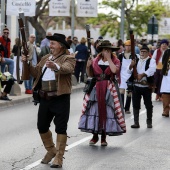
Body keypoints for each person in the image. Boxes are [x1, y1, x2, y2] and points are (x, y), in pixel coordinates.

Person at [22, 33, 76, 168]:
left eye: (53, 43)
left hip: (60, 98)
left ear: (61, 46)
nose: (50, 45)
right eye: (50, 43)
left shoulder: (68, 58)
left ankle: (59, 157)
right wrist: (27, 62)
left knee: (61, 127)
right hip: (45, 98)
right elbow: (35, 74)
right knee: (42, 126)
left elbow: (67, 69)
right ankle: (52, 150)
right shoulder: (46, 57)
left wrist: (55, 66)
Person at [78, 40, 126, 146]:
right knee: (95, 110)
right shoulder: (95, 60)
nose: (106, 52)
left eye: (109, 50)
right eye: (105, 50)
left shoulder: (116, 61)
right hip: (97, 86)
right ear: (101, 50)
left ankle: (103, 136)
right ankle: (94, 135)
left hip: (109, 88)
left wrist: (109, 59)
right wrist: (88, 66)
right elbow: (91, 74)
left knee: (107, 111)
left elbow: (114, 71)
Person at [128, 44, 156, 128]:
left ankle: (149, 122)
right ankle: (136, 122)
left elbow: (152, 70)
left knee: (148, 104)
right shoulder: (135, 60)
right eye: (141, 51)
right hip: (136, 85)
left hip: (146, 86)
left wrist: (143, 75)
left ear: (148, 53)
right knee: (135, 105)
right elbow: (128, 71)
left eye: (144, 52)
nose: (142, 53)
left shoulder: (151, 60)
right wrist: (131, 66)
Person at [118, 40, 134, 114]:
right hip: (122, 75)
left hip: (130, 75)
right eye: (127, 45)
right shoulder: (121, 55)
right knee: (121, 91)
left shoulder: (134, 56)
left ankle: (127, 108)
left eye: (129, 45)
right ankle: (121, 107)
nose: (128, 47)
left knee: (129, 92)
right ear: (124, 46)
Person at [160, 49, 170, 117]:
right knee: (166, 93)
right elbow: (163, 61)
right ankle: (166, 110)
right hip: (167, 74)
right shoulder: (167, 51)